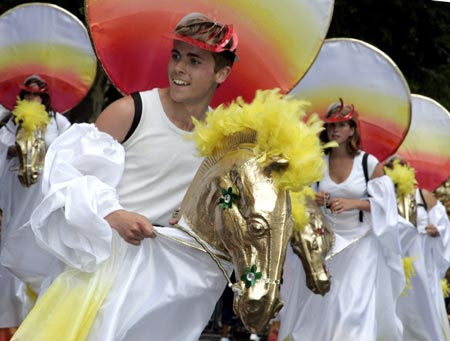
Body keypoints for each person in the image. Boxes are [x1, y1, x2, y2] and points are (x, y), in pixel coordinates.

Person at [13, 13, 238, 341]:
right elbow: (65, 173)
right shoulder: (131, 112)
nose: (178, 68)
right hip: (104, 268)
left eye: (194, 61)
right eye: (175, 56)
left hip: (165, 282)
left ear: (222, 72)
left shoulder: (221, 138)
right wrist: (113, 213)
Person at [277, 98, 404, 340]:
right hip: (325, 244)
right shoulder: (316, 162)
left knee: (353, 308)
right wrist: (313, 197)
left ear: (353, 129)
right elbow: (296, 195)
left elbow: (386, 207)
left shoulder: (369, 163)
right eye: (332, 125)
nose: (335, 130)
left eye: (342, 125)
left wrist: (353, 202)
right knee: (322, 306)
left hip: (361, 244)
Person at [0, 75, 70, 337]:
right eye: (28, 95)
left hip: (44, 196)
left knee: (42, 249)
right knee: (11, 247)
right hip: (16, 195)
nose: (33, 100)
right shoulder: (11, 123)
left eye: (37, 95)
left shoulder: (58, 122)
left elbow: (68, 153)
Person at [385, 156, 450, 341]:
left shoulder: (422, 195)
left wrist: (437, 230)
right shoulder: (383, 196)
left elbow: (443, 224)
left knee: (422, 300)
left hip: (422, 258)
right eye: (391, 167)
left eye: (401, 166)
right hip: (395, 256)